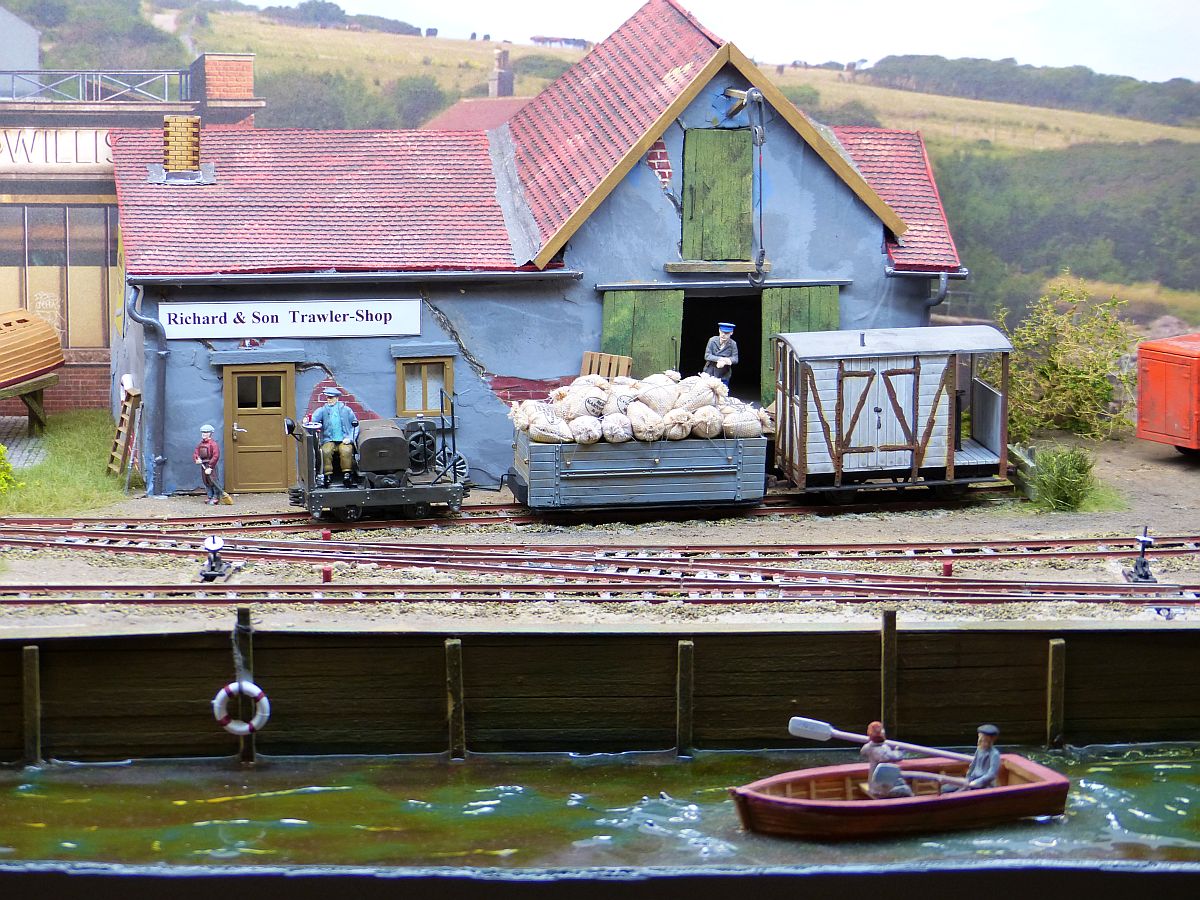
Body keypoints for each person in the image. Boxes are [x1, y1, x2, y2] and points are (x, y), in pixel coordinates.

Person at [309, 387, 359, 487]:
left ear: (337, 398)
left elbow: (355, 425)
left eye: (331, 397)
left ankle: (347, 475)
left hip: (344, 439)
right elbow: (313, 419)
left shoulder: (346, 410)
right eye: (328, 397)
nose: (329, 400)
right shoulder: (323, 410)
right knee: (325, 451)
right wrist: (309, 421)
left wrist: (350, 438)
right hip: (329, 439)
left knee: (346, 451)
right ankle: (328, 475)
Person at [942, 723, 1003, 792]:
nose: (980, 741)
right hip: (973, 778)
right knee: (946, 788)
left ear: (991, 740)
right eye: (979, 738)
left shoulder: (994, 754)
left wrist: (977, 782)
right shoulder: (979, 750)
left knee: (959, 793)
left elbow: (991, 774)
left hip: (984, 784)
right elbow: (973, 764)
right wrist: (968, 777)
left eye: (983, 739)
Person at [861, 720, 913, 799]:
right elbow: (895, 756)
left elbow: (863, 752)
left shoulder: (868, 747)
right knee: (907, 790)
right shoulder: (882, 751)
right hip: (880, 790)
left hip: (875, 785)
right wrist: (901, 750)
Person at [192, 424, 221, 505]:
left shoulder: (213, 444)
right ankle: (210, 496)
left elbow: (216, 456)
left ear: (210, 433)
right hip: (203, 465)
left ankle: (216, 497)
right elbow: (196, 453)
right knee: (206, 481)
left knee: (213, 480)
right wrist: (197, 459)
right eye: (203, 432)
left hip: (210, 465)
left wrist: (211, 467)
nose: (203, 434)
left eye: (206, 432)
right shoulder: (200, 444)